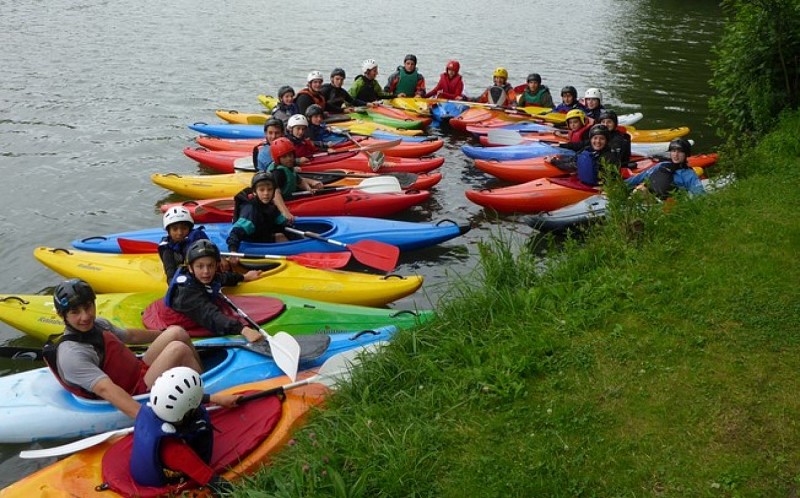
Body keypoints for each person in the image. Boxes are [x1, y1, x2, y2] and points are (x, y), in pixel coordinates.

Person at [43, 279, 203, 419]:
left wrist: (164, 333)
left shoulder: (98, 324)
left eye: (88, 307)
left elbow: (130, 337)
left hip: (139, 371)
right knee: (178, 349)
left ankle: (200, 373)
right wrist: (145, 419)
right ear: (61, 315)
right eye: (75, 312)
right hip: (134, 391)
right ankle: (203, 391)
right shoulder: (72, 354)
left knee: (177, 332)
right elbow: (106, 389)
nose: (85, 316)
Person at [130, 366, 238, 493]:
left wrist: (216, 399)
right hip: (160, 478)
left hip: (143, 463)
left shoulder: (157, 408)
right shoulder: (175, 451)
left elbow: (187, 399)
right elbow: (209, 479)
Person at [166, 240, 265, 343]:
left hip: (202, 309)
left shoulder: (207, 276)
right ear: (190, 268)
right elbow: (211, 316)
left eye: (210, 265)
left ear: (216, 266)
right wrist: (242, 329)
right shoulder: (186, 293)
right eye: (200, 266)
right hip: (181, 320)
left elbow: (222, 278)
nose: (206, 271)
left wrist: (244, 277)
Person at [626, 138, 705, 199]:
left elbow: (699, 195)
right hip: (651, 200)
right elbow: (639, 177)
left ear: (686, 154)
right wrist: (620, 185)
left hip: (670, 206)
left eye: (680, 152)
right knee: (640, 189)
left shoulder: (689, 174)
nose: (676, 155)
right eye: (673, 151)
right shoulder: (661, 165)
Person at [159, 207, 210, 282]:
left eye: (184, 228)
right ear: (168, 231)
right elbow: (170, 272)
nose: (179, 233)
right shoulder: (167, 249)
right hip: (183, 274)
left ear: (189, 228)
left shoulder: (197, 237)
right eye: (175, 229)